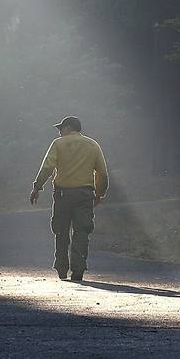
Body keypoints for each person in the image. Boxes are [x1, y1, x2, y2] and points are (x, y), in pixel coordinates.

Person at [29, 116, 109, 281]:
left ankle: (61, 268)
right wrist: (99, 193)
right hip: (84, 195)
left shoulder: (58, 144)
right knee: (82, 231)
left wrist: (37, 187)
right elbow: (102, 172)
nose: (59, 132)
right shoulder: (93, 145)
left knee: (61, 231)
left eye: (61, 128)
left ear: (69, 128)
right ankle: (78, 269)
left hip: (62, 194)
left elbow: (47, 167)